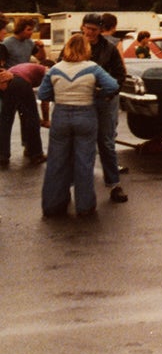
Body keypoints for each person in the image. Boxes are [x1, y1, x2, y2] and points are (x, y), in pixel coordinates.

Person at [39, 33, 119, 217]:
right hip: (85, 116)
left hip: (61, 116)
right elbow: (113, 86)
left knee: (56, 162)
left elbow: (43, 94)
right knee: (84, 162)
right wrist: (95, 94)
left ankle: (53, 206)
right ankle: (85, 207)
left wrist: (60, 96)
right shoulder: (93, 68)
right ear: (86, 49)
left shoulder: (55, 69)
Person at [80, 13, 128, 203]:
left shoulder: (109, 48)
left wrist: (110, 93)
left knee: (106, 143)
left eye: (94, 29)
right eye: (87, 28)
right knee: (79, 145)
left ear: (100, 30)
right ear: (82, 27)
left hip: (102, 101)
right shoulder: (74, 44)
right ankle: (73, 188)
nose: (90, 32)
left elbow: (120, 75)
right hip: (79, 102)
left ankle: (114, 185)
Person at [0, 66, 46, 167]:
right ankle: (35, 154)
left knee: (5, 120)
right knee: (31, 118)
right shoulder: (46, 70)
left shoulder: (22, 67)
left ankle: (2, 155)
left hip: (6, 83)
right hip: (20, 82)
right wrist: (45, 119)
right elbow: (45, 96)